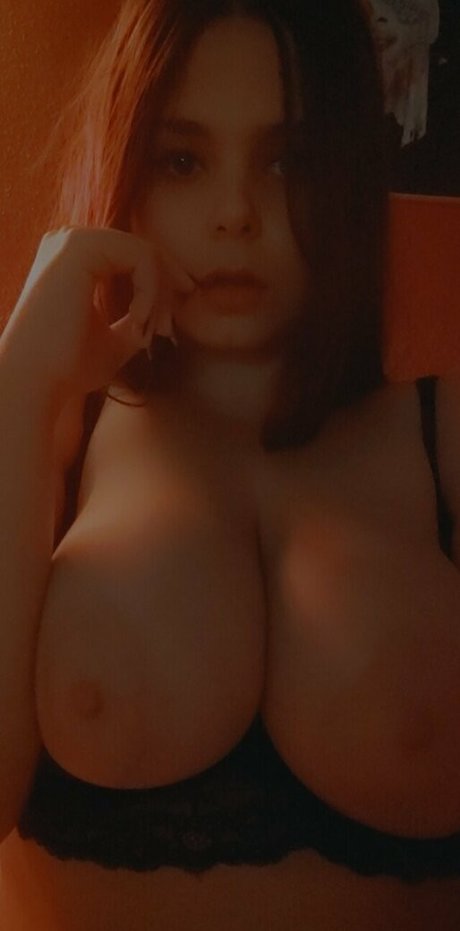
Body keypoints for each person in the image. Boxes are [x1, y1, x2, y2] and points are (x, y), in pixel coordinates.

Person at [1, 1, 460, 928]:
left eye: (288, 161)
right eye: (182, 160)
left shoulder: (442, 423)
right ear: (127, 172)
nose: (235, 214)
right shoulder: (49, 422)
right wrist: (15, 384)